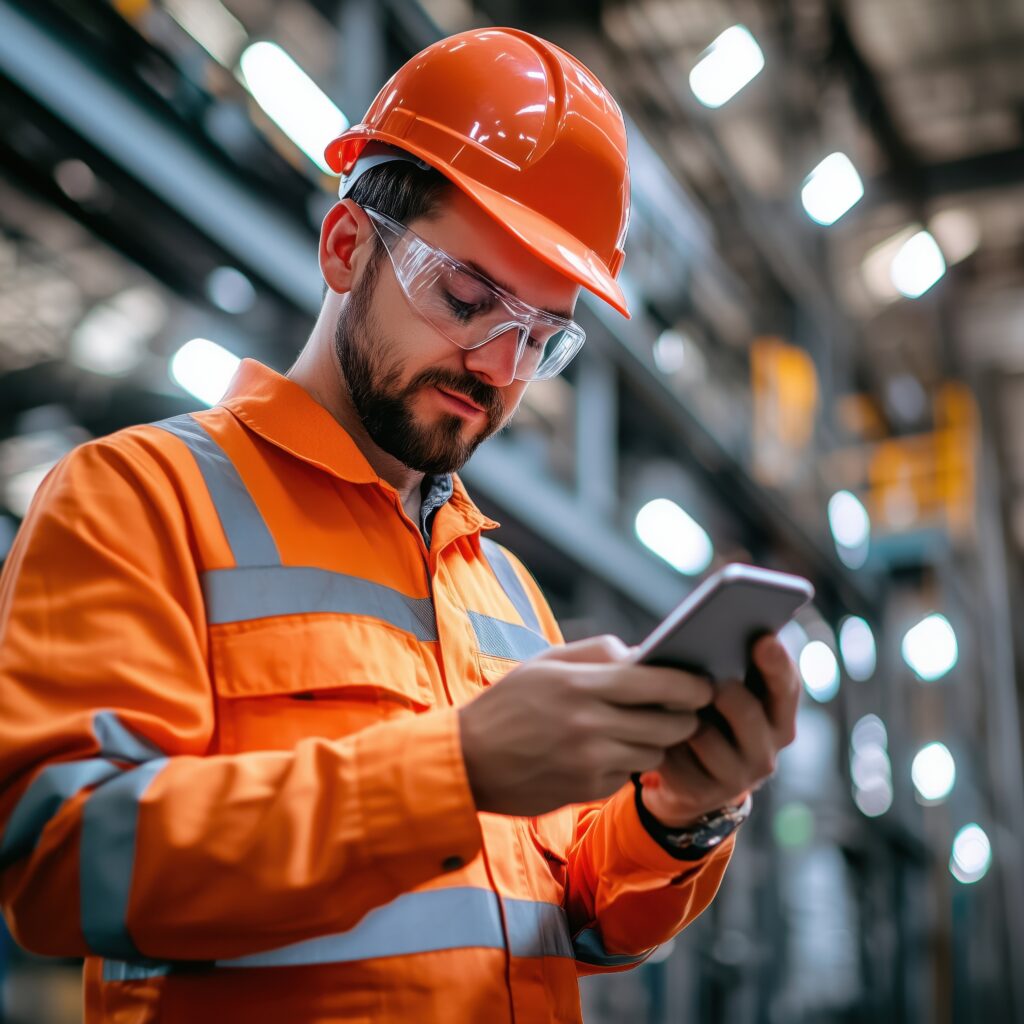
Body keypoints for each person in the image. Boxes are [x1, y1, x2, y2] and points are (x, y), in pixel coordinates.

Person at [0, 27, 800, 1024]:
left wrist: (678, 815)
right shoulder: (139, 498)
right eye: (467, 298)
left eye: (537, 337)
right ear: (346, 248)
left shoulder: (503, 591)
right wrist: (451, 770)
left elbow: (573, 923)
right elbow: (58, 862)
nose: (498, 367)